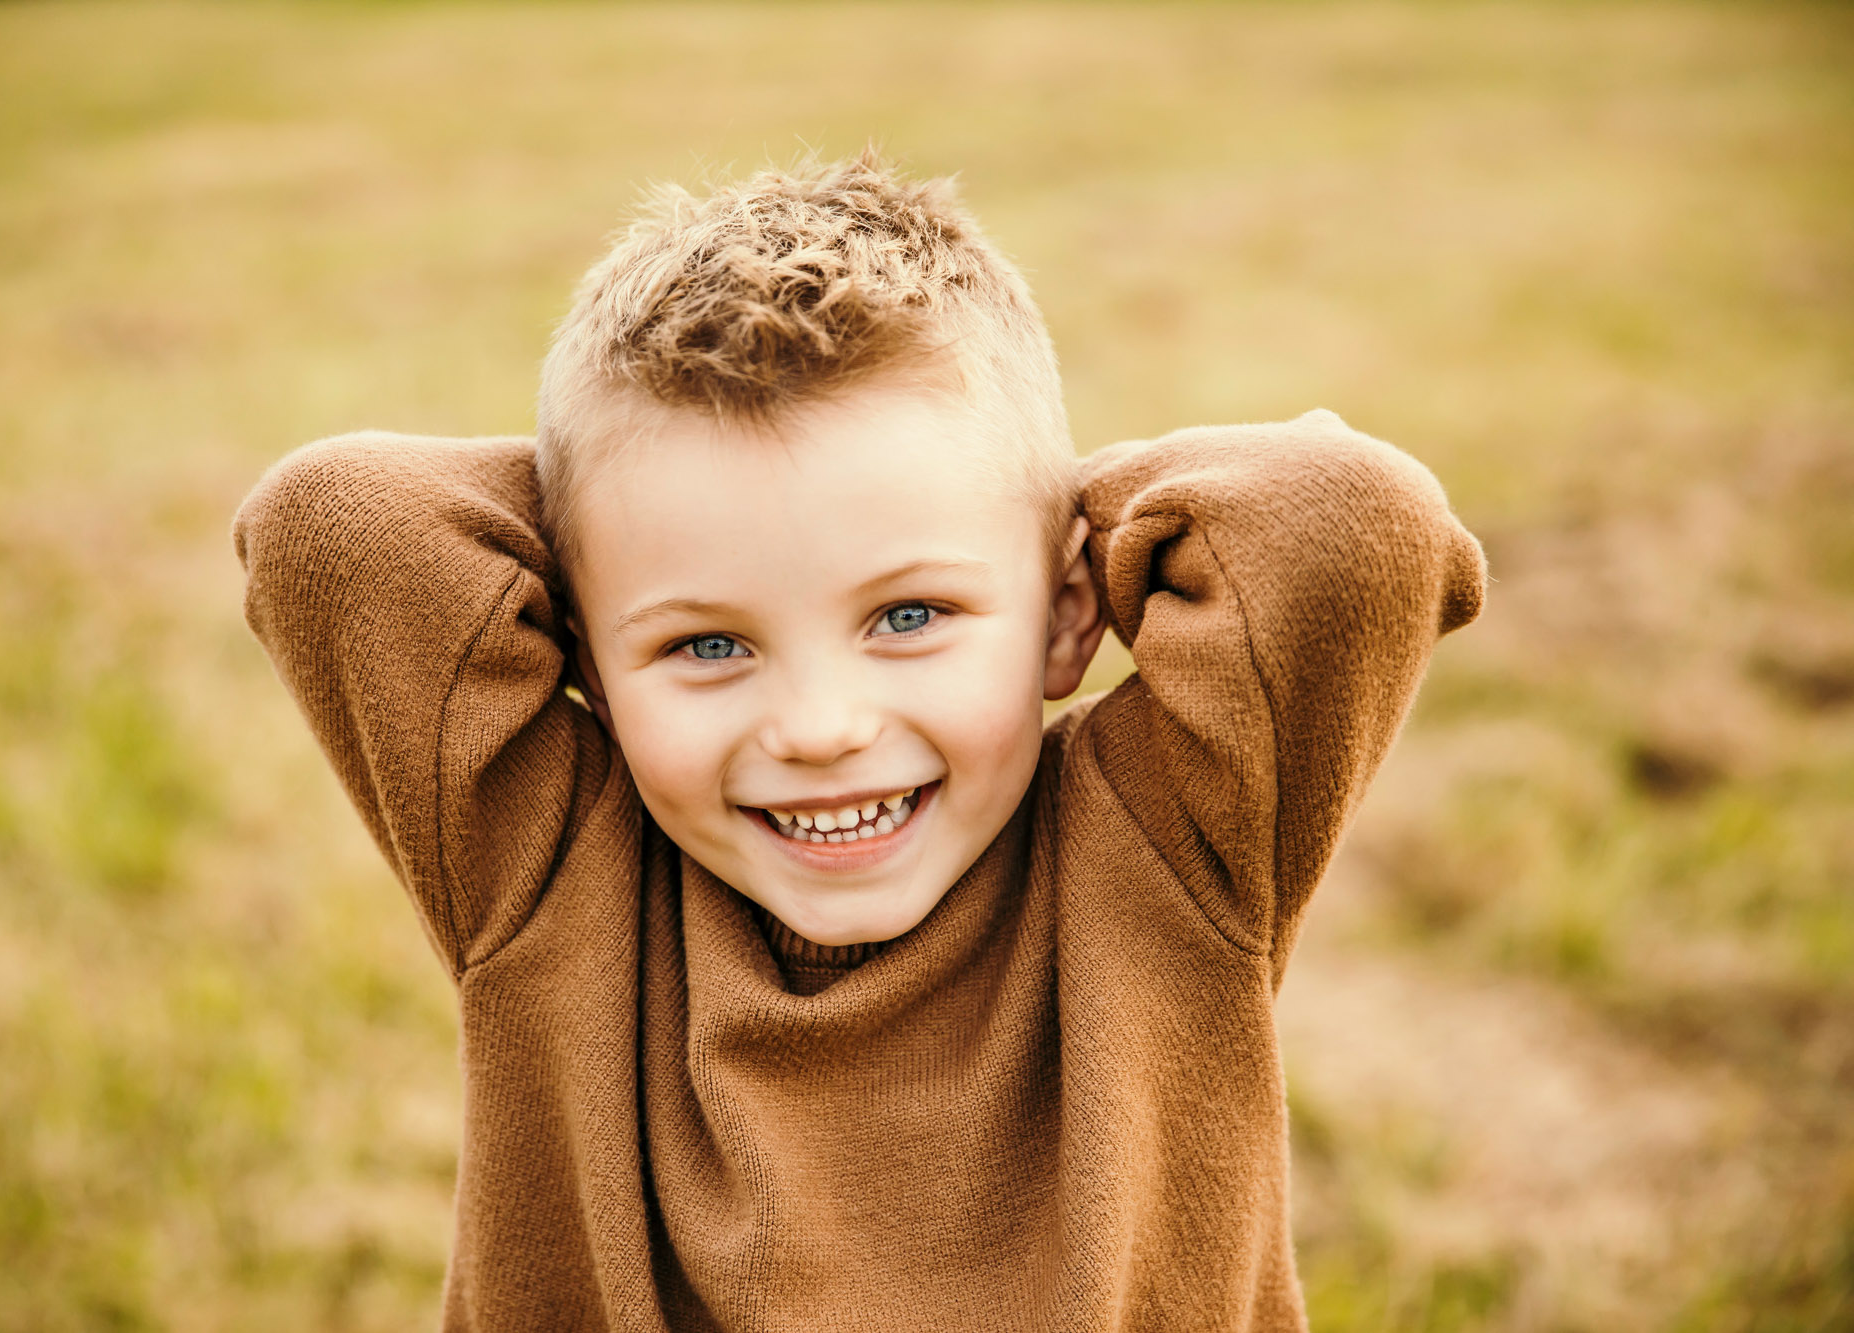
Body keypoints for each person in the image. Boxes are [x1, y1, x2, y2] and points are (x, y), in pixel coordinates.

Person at [233, 150, 1485, 1331]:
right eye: (705, 645)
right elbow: (325, 526)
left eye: (908, 614)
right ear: (589, 662)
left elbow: (1352, 521)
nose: (820, 729)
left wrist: (1027, 494)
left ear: (1065, 617)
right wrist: (600, 499)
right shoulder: (551, 872)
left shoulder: (1167, 846)